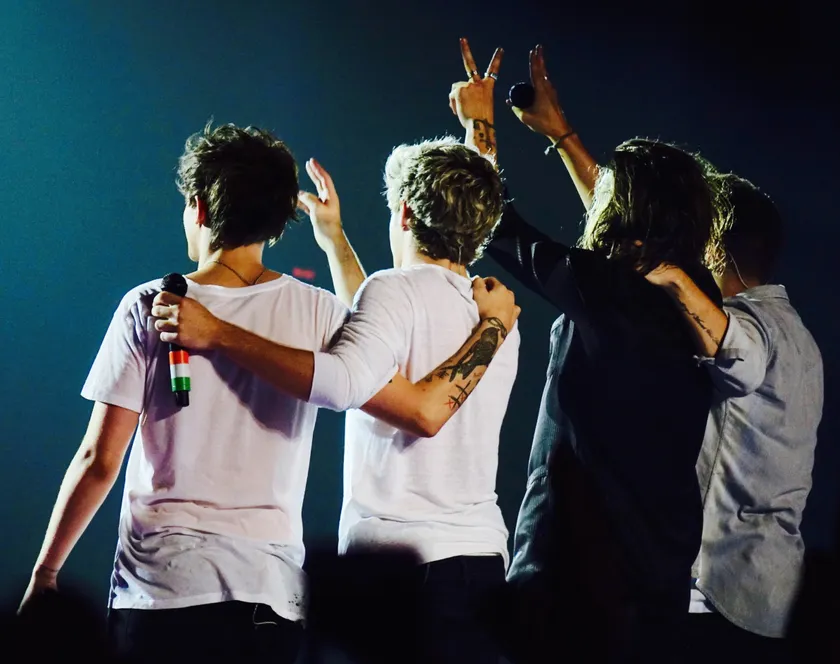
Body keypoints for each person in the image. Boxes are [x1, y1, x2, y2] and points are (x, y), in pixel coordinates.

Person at [19, 122, 517, 664]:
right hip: (273, 597)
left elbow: (99, 461)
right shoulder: (321, 311)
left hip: (163, 587)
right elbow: (393, 368)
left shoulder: (150, 305)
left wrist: (46, 571)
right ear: (280, 218)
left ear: (198, 207)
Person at [449, 39, 722, 663]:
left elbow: (499, 226)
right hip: (660, 571)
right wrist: (561, 135)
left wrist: (478, 125)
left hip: (575, 572)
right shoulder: (695, 296)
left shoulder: (606, 291)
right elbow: (625, 233)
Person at [643, 172, 824, 663]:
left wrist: (674, 277)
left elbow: (740, 359)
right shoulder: (800, 336)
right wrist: (565, 139)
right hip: (773, 599)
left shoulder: (750, 322)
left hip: (721, 598)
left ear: (715, 245)